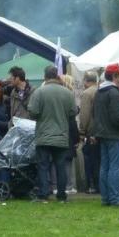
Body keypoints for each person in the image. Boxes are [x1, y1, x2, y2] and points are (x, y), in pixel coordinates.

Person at [28, 65, 77, 203]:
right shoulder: (67, 93)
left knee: (43, 166)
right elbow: (73, 112)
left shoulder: (39, 92)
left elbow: (33, 112)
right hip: (61, 136)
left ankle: (43, 195)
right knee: (60, 166)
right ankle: (61, 196)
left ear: (45, 76)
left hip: (43, 135)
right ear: (57, 76)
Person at [93, 63, 119, 207]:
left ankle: (106, 198)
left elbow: (94, 114)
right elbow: (118, 118)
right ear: (115, 76)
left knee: (105, 167)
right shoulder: (116, 93)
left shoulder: (99, 91)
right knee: (115, 168)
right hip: (114, 135)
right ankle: (115, 199)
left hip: (102, 134)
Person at [79, 70, 99, 194]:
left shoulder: (87, 93)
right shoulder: (100, 90)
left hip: (90, 131)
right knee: (99, 160)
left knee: (90, 161)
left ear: (86, 81)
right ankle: (99, 185)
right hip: (101, 131)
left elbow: (84, 115)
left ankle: (90, 185)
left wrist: (82, 131)